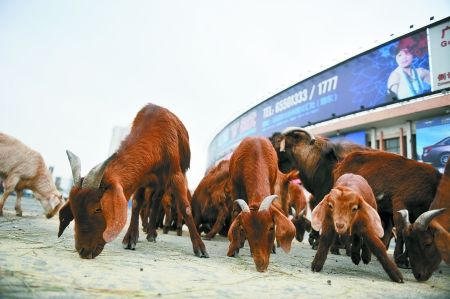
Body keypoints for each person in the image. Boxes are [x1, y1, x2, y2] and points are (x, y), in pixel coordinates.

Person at [387, 36, 430, 100]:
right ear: (395, 58)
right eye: (399, 55)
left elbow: (439, 85)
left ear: (413, 54)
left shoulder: (421, 72)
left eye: (406, 53)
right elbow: (391, 101)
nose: (404, 57)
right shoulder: (395, 75)